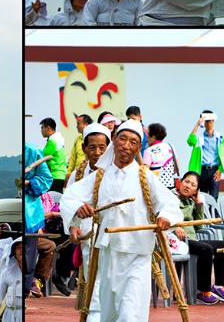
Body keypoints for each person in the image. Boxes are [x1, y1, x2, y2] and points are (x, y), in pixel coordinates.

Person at [60, 120, 183, 321]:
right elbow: (69, 197)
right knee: (108, 311)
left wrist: (165, 217)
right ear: (115, 141)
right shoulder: (100, 176)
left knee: (130, 312)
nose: (126, 145)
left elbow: (170, 203)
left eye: (133, 142)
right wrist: (78, 208)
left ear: (138, 147)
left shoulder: (144, 176)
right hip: (108, 254)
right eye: (122, 139)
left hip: (137, 255)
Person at [64, 123, 110, 322]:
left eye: (102, 147)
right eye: (92, 147)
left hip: (113, 232)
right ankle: (95, 315)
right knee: (93, 276)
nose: (97, 152)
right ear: (84, 148)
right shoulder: (78, 174)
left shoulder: (115, 171)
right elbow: (68, 201)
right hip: (88, 234)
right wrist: (73, 224)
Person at [174, 172, 224, 304]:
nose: (188, 186)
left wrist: (199, 205)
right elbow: (162, 216)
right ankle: (203, 290)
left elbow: (198, 226)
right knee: (206, 249)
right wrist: (174, 227)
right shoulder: (171, 198)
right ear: (180, 182)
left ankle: (220, 285)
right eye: (186, 181)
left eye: (193, 185)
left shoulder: (191, 201)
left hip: (191, 239)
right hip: (177, 241)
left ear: (196, 190)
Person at [24, 143, 53, 298]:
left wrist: (28, 183)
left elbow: (47, 178)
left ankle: (28, 286)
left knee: (28, 255)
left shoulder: (33, 151)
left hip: (30, 214)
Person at [186, 110, 224, 198]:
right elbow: (190, 141)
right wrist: (197, 125)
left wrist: (220, 169)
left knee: (214, 197)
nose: (209, 123)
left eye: (210, 120)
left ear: (213, 120)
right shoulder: (199, 138)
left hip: (215, 171)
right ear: (203, 122)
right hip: (202, 171)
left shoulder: (219, 138)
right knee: (202, 197)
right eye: (207, 121)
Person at [0, 237, 23, 322]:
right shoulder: (7, 271)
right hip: (9, 315)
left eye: (24, 247)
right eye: (18, 248)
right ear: (14, 252)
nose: (21, 250)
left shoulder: (31, 272)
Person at [143, 123, 180, 189]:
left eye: (148, 134)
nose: (146, 137)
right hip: (169, 187)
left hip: (155, 188)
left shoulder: (148, 151)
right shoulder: (170, 146)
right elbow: (177, 168)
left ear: (153, 136)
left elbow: (145, 172)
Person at [39, 117, 68, 192]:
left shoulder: (53, 141)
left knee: (49, 199)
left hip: (54, 176)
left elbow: (41, 157)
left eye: (42, 128)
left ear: (48, 128)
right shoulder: (59, 139)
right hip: (60, 176)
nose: (41, 130)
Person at [66, 114, 92, 178]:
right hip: (78, 174)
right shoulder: (77, 139)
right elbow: (73, 158)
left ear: (86, 124)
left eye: (78, 124)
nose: (76, 126)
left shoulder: (93, 138)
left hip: (90, 174)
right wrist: (69, 172)